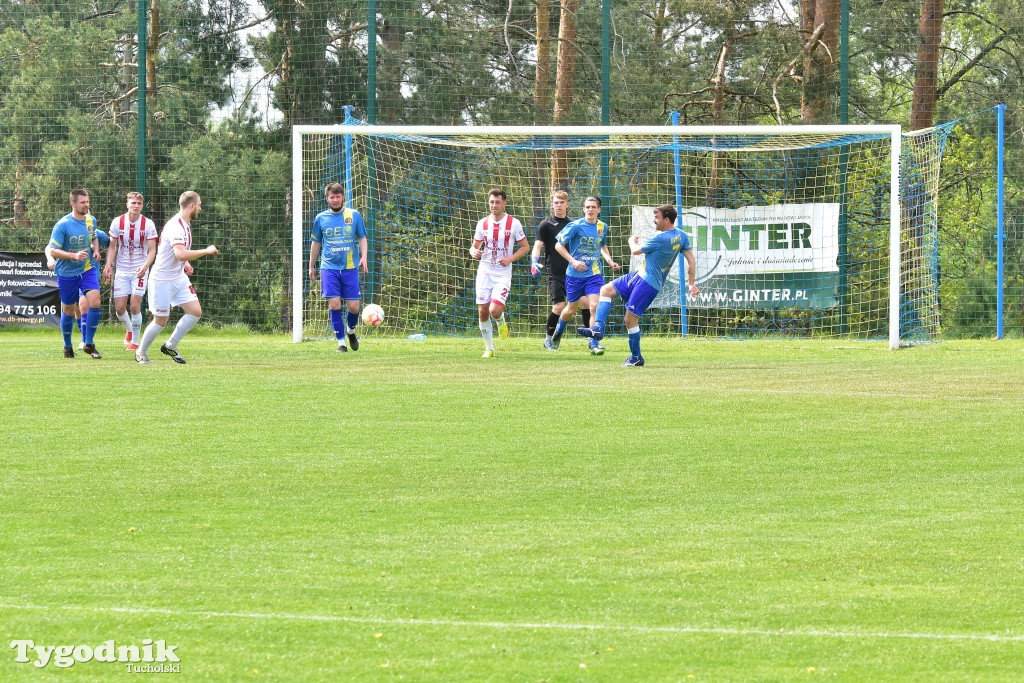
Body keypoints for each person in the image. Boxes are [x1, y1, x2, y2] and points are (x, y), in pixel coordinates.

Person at [578, 204, 699, 366]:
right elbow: (691, 260)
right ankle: (598, 328)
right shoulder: (681, 235)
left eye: (657, 217)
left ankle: (636, 358)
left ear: (667, 220)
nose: (654, 220)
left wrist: (630, 241)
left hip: (648, 283)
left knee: (630, 320)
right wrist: (691, 284)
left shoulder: (660, 238)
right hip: (639, 275)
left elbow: (635, 250)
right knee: (605, 290)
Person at [136, 191, 218, 365]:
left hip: (178, 277)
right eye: (200, 205)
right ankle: (141, 352)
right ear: (192, 206)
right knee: (161, 321)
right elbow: (180, 253)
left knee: (195, 311)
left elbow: (178, 254)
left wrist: (185, 263)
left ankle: (171, 344)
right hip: (162, 279)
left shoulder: (185, 223)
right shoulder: (176, 226)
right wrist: (206, 251)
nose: (201, 209)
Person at [550, 196, 619, 354]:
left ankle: (593, 343)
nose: (590, 209)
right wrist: (573, 261)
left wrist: (609, 260)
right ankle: (557, 333)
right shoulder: (575, 226)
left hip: (594, 274)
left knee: (594, 305)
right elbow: (558, 245)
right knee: (571, 309)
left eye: (593, 207)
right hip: (574, 275)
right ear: (583, 209)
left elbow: (601, 244)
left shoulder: (602, 226)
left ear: (598, 210)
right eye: (587, 207)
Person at [469, 188, 529, 358]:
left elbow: (525, 247)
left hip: (502, 273)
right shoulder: (482, 223)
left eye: (497, 202)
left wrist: (510, 259)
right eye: (491, 202)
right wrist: (473, 251)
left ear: (504, 203)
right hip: (485, 271)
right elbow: (474, 246)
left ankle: (500, 320)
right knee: (482, 311)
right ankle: (489, 348)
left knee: (495, 310)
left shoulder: (514, 223)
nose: (494, 205)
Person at [308, 182, 368, 352]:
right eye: (332, 197)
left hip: (350, 268)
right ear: (327, 199)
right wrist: (311, 265)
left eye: (338, 196)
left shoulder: (354, 215)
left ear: (343, 197)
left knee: (354, 307)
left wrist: (364, 256)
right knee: (334, 304)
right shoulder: (321, 218)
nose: (335, 200)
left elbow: (362, 237)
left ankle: (350, 331)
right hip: (329, 268)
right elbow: (316, 243)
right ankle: (341, 343)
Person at [45, 189, 103, 359]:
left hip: (87, 269)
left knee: (95, 301)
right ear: (73, 204)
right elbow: (53, 250)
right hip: (67, 273)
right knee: (69, 310)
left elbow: (94, 237)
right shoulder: (62, 225)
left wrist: (97, 250)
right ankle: (67, 346)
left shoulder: (90, 220)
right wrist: (73, 256)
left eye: (87, 202)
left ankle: (89, 344)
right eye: (83, 202)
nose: (87, 205)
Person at [530, 190, 590, 351]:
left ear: (567, 204)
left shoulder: (574, 224)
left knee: (585, 303)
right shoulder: (546, 225)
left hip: (574, 273)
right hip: (555, 273)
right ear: (552, 204)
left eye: (562, 202)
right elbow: (537, 246)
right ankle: (549, 339)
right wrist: (534, 262)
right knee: (558, 307)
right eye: (556, 202)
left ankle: (592, 340)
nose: (559, 205)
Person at [104, 191, 157, 351]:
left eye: (139, 203)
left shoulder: (148, 224)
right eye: (133, 203)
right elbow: (112, 246)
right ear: (127, 204)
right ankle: (129, 329)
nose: (136, 206)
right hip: (121, 270)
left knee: (135, 305)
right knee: (120, 308)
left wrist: (145, 266)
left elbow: (153, 250)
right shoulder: (117, 222)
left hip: (139, 269)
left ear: (142, 206)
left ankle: (135, 342)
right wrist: (108, 266)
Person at [74, 228, 110, 350]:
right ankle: (85, 339)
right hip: (73, 274)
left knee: (84, 305)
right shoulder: (70, 230)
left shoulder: (98, 234)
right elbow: (51, 246)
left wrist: (108, 266)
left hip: (90, 275)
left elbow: (112, 244)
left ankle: (86, 341)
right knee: (77, 308)